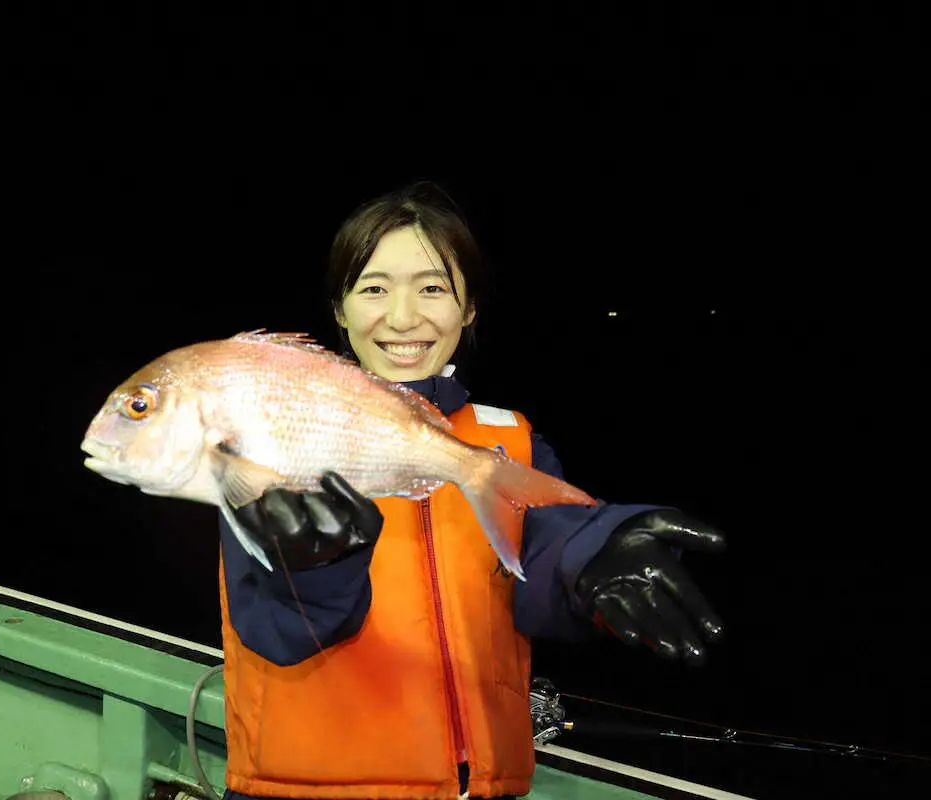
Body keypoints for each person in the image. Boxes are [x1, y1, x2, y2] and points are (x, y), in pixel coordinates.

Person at [216, 181, 727, 800]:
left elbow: (544, 549)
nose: (403, 318)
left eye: (433, 288)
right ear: (339, 308)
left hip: (479, 790)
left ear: (470, 309)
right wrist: (317, 573)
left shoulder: (507, 440)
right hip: (306, 787)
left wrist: (596, 553)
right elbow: (272, 629)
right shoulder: (275, 437)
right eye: (373, 288)